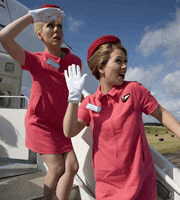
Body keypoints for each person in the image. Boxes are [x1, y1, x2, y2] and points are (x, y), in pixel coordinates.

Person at [63, 35, 180, 200]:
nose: (124, 66)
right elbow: (69, 131)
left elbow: (161, 114)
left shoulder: (134, 90)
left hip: (140, 182)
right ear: (101, 66)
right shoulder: (90, 102)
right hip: (107, 185)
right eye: (118, 61)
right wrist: (73, 99)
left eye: (125, 61)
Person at [0, 4, 80, 200]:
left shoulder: (74, 61)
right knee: (57, 166)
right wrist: (31, 17)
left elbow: (75, 93)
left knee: (73, 166)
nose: (56, 30)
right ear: (39, 35)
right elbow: (4, 38)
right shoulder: (35, 60)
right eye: (50, 26)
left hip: (60, 125)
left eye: (59, 25)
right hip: (40, 124)